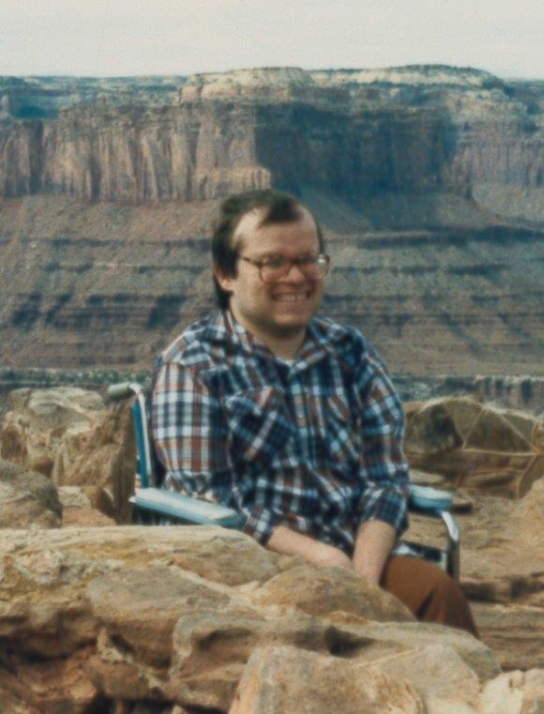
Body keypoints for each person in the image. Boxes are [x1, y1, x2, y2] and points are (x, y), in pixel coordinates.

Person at [148, 188, 477, 635]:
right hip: (252, 569)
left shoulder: (350, 353)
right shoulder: (192, 366)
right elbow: (210, 500)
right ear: (226, 274)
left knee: (438, 594)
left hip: (359, 558)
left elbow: (385, 479)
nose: (296, 276)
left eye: (309, 260)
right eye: (272, 263)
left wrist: (361, 580)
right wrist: (321, 560)